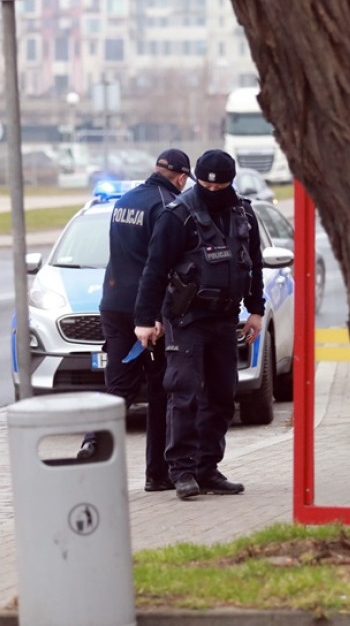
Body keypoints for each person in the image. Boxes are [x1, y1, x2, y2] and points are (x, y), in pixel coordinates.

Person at [133, 149, 265, 500]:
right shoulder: (178, 215)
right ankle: (182, 471)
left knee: (222, 395)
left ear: (230, 182)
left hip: (225, 317)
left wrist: (256, 309)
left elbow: (253, 263)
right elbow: (155, 269)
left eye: (218, 184)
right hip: (185, 318)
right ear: (196, 179)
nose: (211, 188)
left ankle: (208, 468)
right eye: (204, 182)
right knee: (184, 392)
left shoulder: (243, 214)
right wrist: (145, 320)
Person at [76, 149, 191, 493]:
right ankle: (157, 474)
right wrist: (154, 315)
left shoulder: (125, 199)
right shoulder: (166, 205)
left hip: (112, 304)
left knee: (120, 388)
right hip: (145, 310)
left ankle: (93, 441)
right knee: (160, 393)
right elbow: (157, 265)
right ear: (182, 178)